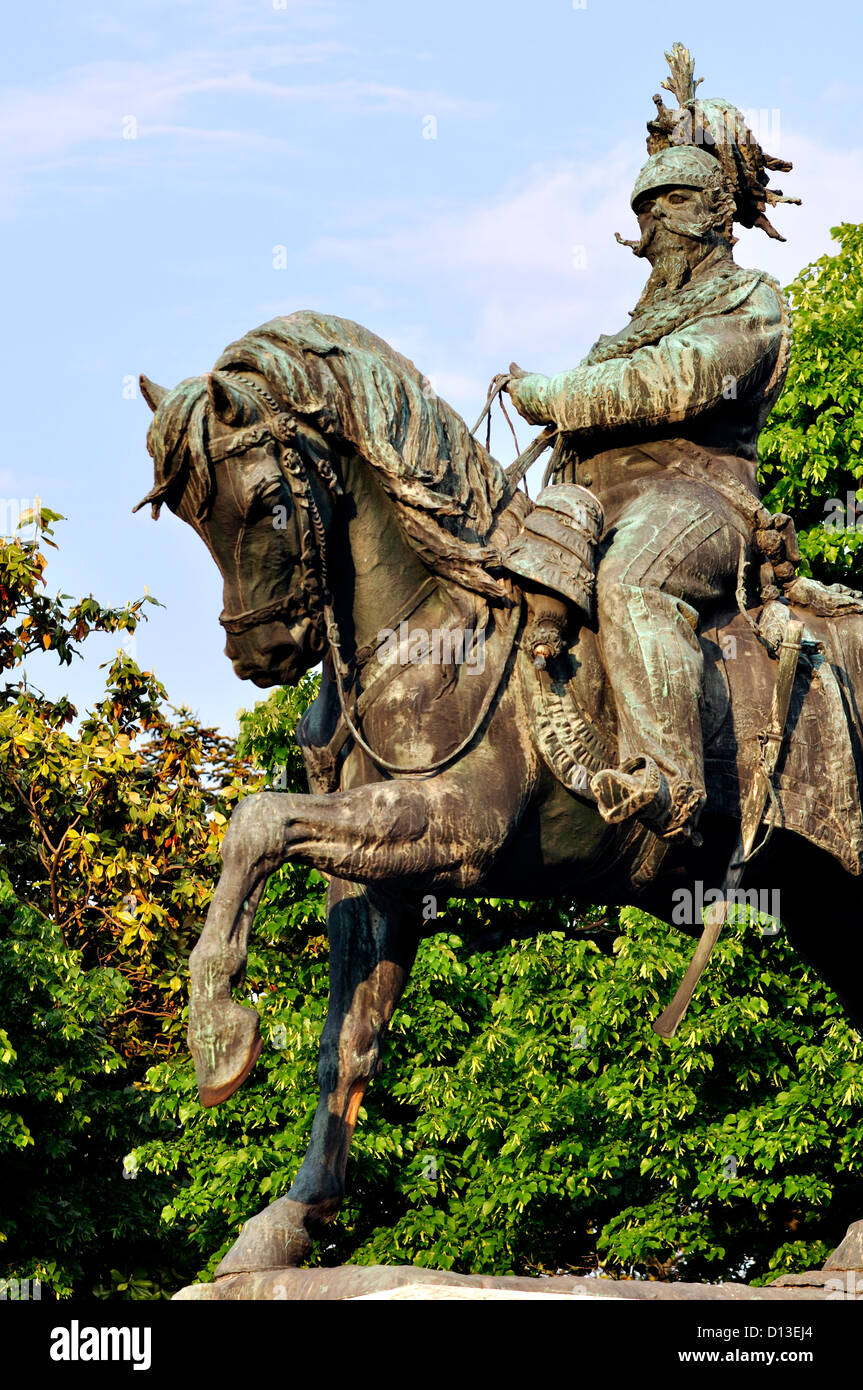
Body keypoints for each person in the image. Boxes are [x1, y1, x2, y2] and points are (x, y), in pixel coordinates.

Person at [504, 139, 794, 845]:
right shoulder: (630, 330)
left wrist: (552, 393)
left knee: (631, 578)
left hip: (700, 502)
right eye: (644, 207)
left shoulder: (751, 300)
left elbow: (676, 381)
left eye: (674, 202)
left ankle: (666, 779)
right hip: (599, 501)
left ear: (718, 212)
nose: (655, 221)